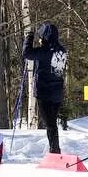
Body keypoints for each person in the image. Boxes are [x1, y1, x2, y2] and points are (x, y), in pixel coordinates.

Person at [23, 21, 67, 154]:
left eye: (41, 36)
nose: (40, 39)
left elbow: (27, 53)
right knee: (52, 122)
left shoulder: (45, 51)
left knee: (50, 124)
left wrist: (29, 38)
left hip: (44, 92)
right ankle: (55, 148)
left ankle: (55, 150)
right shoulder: (62, 51)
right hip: (57, 93)